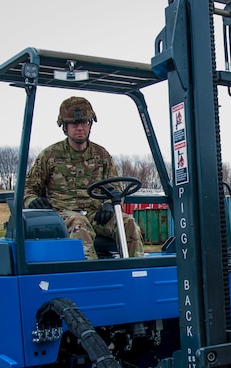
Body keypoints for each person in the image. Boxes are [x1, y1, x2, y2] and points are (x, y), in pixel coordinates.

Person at [23, 96, 144, 259]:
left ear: (90, 125)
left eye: (84, 123)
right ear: (65, 127)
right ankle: (91, 277)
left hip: (96, 214)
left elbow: (115, 189)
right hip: (63, 215)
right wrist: (31, 200)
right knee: (79, 223)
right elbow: (28, 187)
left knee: (128, 223)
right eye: (74, 124)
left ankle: (135, 272)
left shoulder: (101, 155)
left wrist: (109, 205)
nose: (80, 128)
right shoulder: (50, 155)